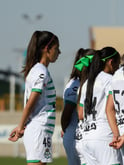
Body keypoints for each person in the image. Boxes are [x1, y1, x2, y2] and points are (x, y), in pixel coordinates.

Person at [8, 31, 61, 165]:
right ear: (46, 49)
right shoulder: (40, 71)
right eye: (56, 48)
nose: (59, 52)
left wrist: (22, 125)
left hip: (40, 130)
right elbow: (31, 102)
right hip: (39, 130)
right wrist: (20, 126)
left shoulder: (38, 70)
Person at [80, 47, 121, 165]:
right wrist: (116, 134)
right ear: (111, 62)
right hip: (104, 136)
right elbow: (111, 109)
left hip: (87, 137)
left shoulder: (87, 82)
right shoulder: (110, 80)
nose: (118, 68)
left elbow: (81, 113)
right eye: (117, 64)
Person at [61, 48, 93, 165]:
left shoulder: (85, 82)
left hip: (82, 135)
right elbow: (67, 112)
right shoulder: (75, 84)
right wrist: (65, 129)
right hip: (75, 136)